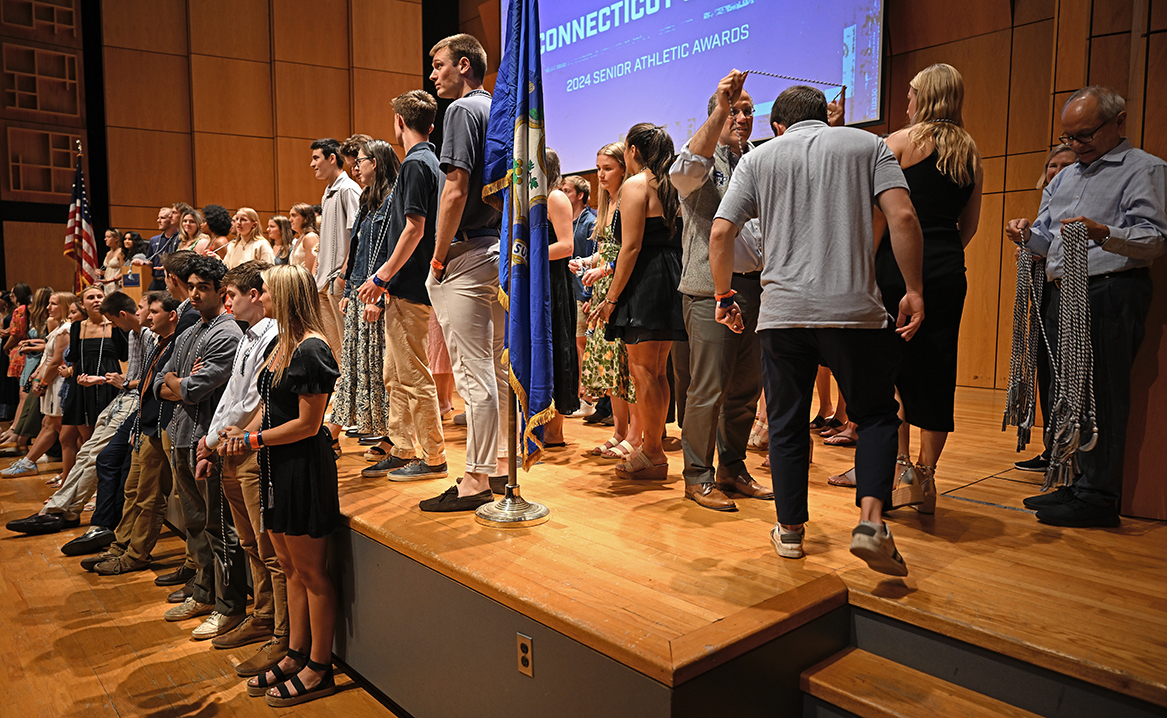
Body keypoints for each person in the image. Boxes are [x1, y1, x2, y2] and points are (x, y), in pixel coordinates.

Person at [710, 80, 925, 575]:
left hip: (782, 313)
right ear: (827, 117)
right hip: (854, 310)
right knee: (874, 415)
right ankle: (871, 520)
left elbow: (721, 232)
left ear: (776, 125)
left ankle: (789, 533)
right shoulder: (868, 144)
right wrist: (913, 288)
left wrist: (724, 295)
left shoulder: (760, 157)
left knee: (786, 422)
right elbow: (904, 218)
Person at [1007, 86, 1166, 527]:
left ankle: (1099, 497)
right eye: (1068, 137)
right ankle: (1074, 482)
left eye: (1084, 135)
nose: (1075, 146)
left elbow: (1156, 239)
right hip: (1064, 292)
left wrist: (1105, 233)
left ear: (1118, 123)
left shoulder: (1145, 170)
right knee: (1065, 394)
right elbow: (1045, 241)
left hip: (1111, 291)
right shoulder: (1064, 176)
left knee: (1102, 395)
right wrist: (1025, 235)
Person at [223, 264, 340, 707]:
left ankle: (319, 667)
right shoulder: (283, 345)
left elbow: (309, 425)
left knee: (312, 573)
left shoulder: (312, 348)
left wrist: (252, 439)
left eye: (268, 290)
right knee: (290, 568)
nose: (262, 295)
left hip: (302, 470)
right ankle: (295, 653)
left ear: (286, 295)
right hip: (276, 464)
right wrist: (242, 433)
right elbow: (270, 409)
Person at [670, 71, 774, 510]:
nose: (742, 116)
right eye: (735, 108)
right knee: (707, 389)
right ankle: (697, 474)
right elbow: (683, 171)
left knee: (746, 389)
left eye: (748, 110)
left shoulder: (760, 160)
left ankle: (732, 468)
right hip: (710, 292)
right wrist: (719, 108)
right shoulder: (700, 163)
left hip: (757, 288)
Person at [421, 33, 507, 511]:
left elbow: (455, 189)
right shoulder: (499, 107)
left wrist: (436, 258)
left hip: (467, 253)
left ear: (465, 65)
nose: (433, 75)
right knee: (491, 369)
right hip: (497, 249)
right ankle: (494, 466)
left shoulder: (460, 112)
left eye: (438, 65)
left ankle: (474, 481)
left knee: (474, 374)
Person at [195, 260, 287, 673]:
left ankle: (282, 634)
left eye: (231, 295)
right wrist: (211, 441)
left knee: (269, 549)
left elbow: (257, 401)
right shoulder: (249, 337)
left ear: (256, 296)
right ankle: (264, 616)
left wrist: (236, 437)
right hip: (231, 446)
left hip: (251, 450)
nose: (226, 302)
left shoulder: (273, 337)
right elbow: (232, 395)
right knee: (250, 544)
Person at [357, 91, 449, 480]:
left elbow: (414, 229)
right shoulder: (429, 160)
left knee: (413, 375)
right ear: (430, 125)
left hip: (409, 285)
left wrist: (381, 277)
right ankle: (404, 445)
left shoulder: (416, 164)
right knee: (396, 374)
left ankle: (433, 456)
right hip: (405, 286)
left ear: (399, 122)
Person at [156, 255, 247, 639]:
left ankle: (229, 606)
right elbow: (162, 382)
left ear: (222, 292)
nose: (193, 294)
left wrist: (180, 384)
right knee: (195, 524)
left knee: (218, 527)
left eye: (202, 288)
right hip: (180, 435)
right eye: (190, 286)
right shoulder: (191, 330)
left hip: (205, 441)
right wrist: (179, 383)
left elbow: (193, 388)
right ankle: (204, 591)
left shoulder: (227, 333)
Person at [591, 123, 687, 480]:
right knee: (658, 372)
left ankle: (653, 453)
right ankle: (653, 448)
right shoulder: (671, 182)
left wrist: (612, 299)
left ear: (632, 150)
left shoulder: (636, 184)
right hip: (671, 275)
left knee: (643, 371)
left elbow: (630, 247)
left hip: (646, 279)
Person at [85, 292, 177, 578]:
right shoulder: (156, 341)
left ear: (171, 315)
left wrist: (138, 386)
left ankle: (135, 554)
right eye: (142, 309)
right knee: (132, 489)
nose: (144, 316)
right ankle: (120, 545)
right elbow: (150, 384)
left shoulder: (172, 342)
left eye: (150, 311)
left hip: (160, 421)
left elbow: (167, 386)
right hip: (143, 419)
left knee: (149, 495)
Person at [60, 292, 153, 554]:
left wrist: (115, 382)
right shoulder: (135, 334)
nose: (144, 312)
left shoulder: (147, 334)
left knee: (103, 457)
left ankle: (102, 526)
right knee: (90, 451)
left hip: (137, 401)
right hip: (126, 396)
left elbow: (148, 380)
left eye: (147, 308)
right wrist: (104, 380)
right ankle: (63, 508)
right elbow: (134, 376)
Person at [332, 138, 398, 470]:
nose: (355, 168)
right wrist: (347, 293)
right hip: (360, 291)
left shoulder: (391, 201)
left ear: (378, 161)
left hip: (378, 293)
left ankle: (392, 436)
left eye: (361, 161)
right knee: (359, 365)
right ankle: (377, 431)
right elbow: (357, 250)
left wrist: (383, 294)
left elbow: (388, 253)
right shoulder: (368, 200)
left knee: (381, 368)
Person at [1013, 143, 1078, 473]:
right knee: (1047, 374)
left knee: (1067, 378)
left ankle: (1068, 453)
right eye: (1052, 166)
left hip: (1074, 292)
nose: (1057, 172)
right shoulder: (1048, 201)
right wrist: (1026, 241)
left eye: (1066, 165)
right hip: (1048, 293)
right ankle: (1051, 447)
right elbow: (1046, 244)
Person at [576, 142, 639, 458]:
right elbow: (608, 250)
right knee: (612, 367)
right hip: (604, 290)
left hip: (623, 289)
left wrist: (602, 270)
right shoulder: (607, 203)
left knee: (629, 367)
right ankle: (619, 432)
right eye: (598, 168)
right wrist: (588, 264)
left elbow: (630, 251)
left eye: (607, 168)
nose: (600, 175)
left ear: (623, 168)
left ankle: (636, 435)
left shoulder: (630, 197)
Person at [1, 291, 76, 483]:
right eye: (49, 303)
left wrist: (42, 382)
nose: (48, 308)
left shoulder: (66, 329)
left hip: (59, 382)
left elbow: (56, 360)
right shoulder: (59, 327)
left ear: (65, 306)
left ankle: (71, 473)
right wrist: (38, 378)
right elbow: (48, 357)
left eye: (53, 304)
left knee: (65, 433)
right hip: (50, 381)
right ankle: (34, 464)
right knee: (51, 425)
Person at [310, 138, 361, 367]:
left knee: (348, 340)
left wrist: (344, 271)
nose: (312, 164)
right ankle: (343, 382)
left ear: (332, 159)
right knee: (335, 342)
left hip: (338, 277)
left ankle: (352, 389)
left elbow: (357, 232)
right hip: (324, 279)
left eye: (316, 158)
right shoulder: (328, 191)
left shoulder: (348, 189)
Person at [542, 148, 581, 446]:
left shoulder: (555, 197)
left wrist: (526, 257)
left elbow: (566, 246)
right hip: (539, 281)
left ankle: (554, 433)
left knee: (557, 349)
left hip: (554, 283)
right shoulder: (537, 198)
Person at [563, 174, 597, 411]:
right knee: (575, 344)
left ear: (580, 195)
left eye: (567, 191)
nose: (563, 195)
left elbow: (594, 259)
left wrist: (590, 295)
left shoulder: (590, 222)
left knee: (582, 344)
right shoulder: (568, 221)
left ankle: (588, 398)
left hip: (583, 292)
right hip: (570, 291)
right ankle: (578, 393)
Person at [145, 207, 180, 290]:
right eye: (158, 218)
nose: (158, 221)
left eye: (162, 218)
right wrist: (143, 263)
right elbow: (152, 263)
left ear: (171, 220)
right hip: (156, 281)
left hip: (173, 281)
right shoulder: (154, 240)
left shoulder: (180, 238)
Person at [288, 204, 319, 275]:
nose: (290, 220)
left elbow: (311, 271)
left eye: (294, 215)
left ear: (306, 218)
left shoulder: (310, 237)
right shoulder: (300, 238)